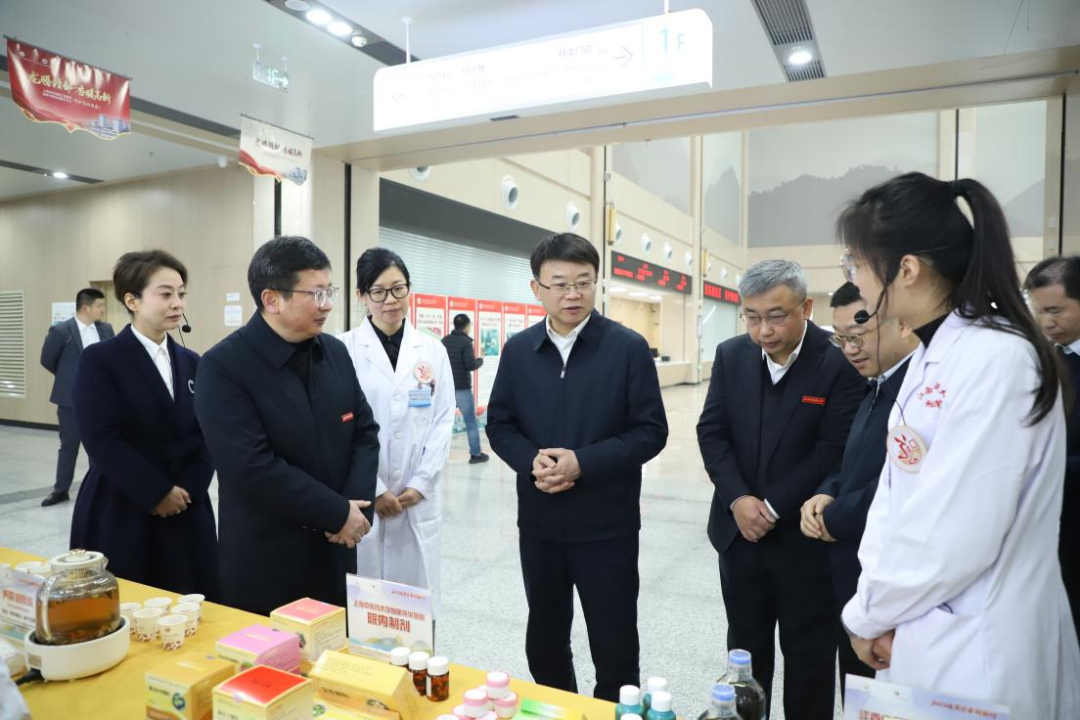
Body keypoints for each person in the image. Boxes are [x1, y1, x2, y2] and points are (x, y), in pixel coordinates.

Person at [839, 172, 1080, 717]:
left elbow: (957, 532)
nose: (855, 281)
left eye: (856, 265)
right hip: (918, 622)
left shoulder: (997, 359)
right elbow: (897, 498)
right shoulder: (932, 356)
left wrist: (869, 614)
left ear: (906, 269)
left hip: (980, 644)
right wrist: (873, 607)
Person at [486, 233, 667, 701]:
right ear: (537, 288)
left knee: (615, 644)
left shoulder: (627, 348)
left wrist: (582, 463)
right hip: (540, 525)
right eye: (561, 283)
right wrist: (531, 460)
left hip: (608, 526)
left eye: (584, 282)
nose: (573, 294)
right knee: (545, 640)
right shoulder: (519, 351)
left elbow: (651, 431)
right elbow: (500, 424)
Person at [696, 259, 862, 720]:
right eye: (751, 316)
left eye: (776, 316)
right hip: (740, 537)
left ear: (806, 308)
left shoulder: (838, 361)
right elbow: (713, 432)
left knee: (809, 658)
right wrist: (738, 499)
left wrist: (769, 506)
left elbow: (833, 449)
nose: (763, 331)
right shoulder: (732, 355)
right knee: (744, 655)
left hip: (804, 543)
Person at [195, 236, 381, 615]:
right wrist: (336, 512)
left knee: (337, 646)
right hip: (269, 561)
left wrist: (355, 509)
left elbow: (364, 433)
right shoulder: (223, 367)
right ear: (271, 299)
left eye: (330, 291)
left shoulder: (334, 352)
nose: (327, 304)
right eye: (316, 294)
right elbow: (250, 467)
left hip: (337, 550)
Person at [69, 251, 217, 596]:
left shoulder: (191, 362)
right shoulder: (100, 360)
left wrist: (189, 489)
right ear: (132, 300)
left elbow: (208, 433)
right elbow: (101, 438)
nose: (178, 303)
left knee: (192, 598)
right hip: (124, 501)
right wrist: (157, 492)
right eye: (165, 294)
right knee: (129, 602)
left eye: (181, 293)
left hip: (186, 504)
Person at [799, 281, 918, 696]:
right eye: (840, 339)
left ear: (900, 323)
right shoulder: (875, 384)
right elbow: (852, 460)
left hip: (891, 581)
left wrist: (833, 518)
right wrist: (827, 492)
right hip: (853, 574)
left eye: (858, 336)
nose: (849, 349)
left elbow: (901, 484)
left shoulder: (916, 393)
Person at [337, 248, 455, 610]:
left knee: (413, 610)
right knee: (366, 610)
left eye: (398, 288)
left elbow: (443, 420)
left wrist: (421, 483)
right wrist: (374, 489)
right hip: (363, 495)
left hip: (416, 501)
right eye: (378, 291)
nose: (390, 300)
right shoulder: (342, 350)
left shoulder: (433, 351)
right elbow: (338, 429)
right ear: (361, 295)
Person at [1023, 256, 1080, 645]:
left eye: (1056, 310)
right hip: (1048, 528)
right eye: (1039, 311)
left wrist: (1049, 468)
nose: (1045, 322)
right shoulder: (1044, 361)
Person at [39, 287, 115, 506]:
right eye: (100, 305)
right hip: (70, 400)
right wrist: (69, 378)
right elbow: (47, 360)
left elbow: (113, 357)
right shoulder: (61, 331)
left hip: (101, 399)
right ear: (85, 307)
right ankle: (61, 490)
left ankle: (98, 489)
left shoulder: (106, 329)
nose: (103, 309)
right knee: (69, 446)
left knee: (100, 446)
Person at [442, 313, 489, 463]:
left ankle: (438, 456)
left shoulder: (444, 341)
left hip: (446, 389)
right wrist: (481, 359)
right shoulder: (465, 342)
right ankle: (476, 455)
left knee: (441, 423)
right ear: (467, 326)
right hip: (462, 388)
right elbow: (470, 365)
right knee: (470, 422)